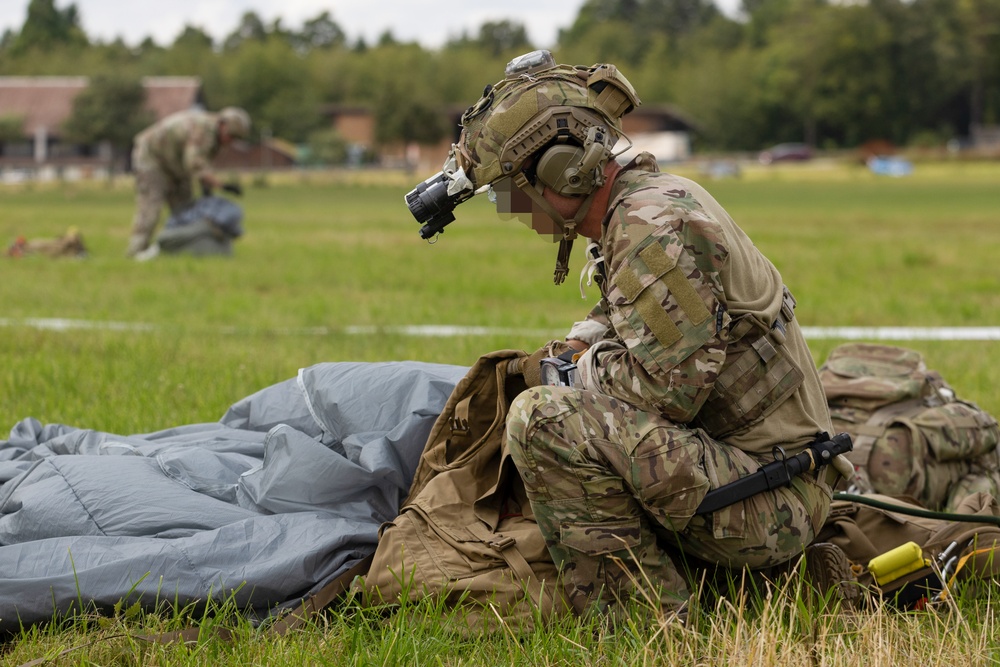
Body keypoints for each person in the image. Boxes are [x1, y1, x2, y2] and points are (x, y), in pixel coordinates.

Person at [405, 50, 850, 617]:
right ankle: (756, 588)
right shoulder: (646, 206)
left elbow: (669, 392)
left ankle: (647, 621)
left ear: (561, 172)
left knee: (543, 420)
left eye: (510, 190)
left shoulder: (648, 230)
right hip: (764, 479)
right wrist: (579, 346)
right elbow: (634, 325)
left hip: (770, 504)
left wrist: (568, 374)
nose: (510, 210)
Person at [126, 106, 251, 258]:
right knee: (151, 206)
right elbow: (194, 163)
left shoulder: (217, 139)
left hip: (176, 165)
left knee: (185, 209)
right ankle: (135, 252)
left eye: (236, 139)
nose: (231, 141)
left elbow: (201, 165)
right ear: (222, 124)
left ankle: (177, 250)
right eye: (231, 136)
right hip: (152, 158)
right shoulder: (202, 129)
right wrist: (221, 185)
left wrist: (207, 189)